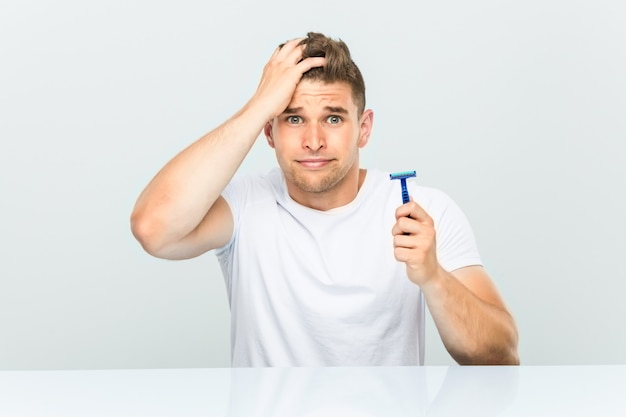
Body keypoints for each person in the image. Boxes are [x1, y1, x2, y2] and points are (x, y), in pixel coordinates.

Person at [131, 32, 519, 367]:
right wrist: (260, 104)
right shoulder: (243, 206)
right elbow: (153, 229)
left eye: (333, 118)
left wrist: (433, 277)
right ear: (269, 131)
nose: (313, 141)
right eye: (294, 118)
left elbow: (501, 355)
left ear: (363, 128)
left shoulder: (421, 212)